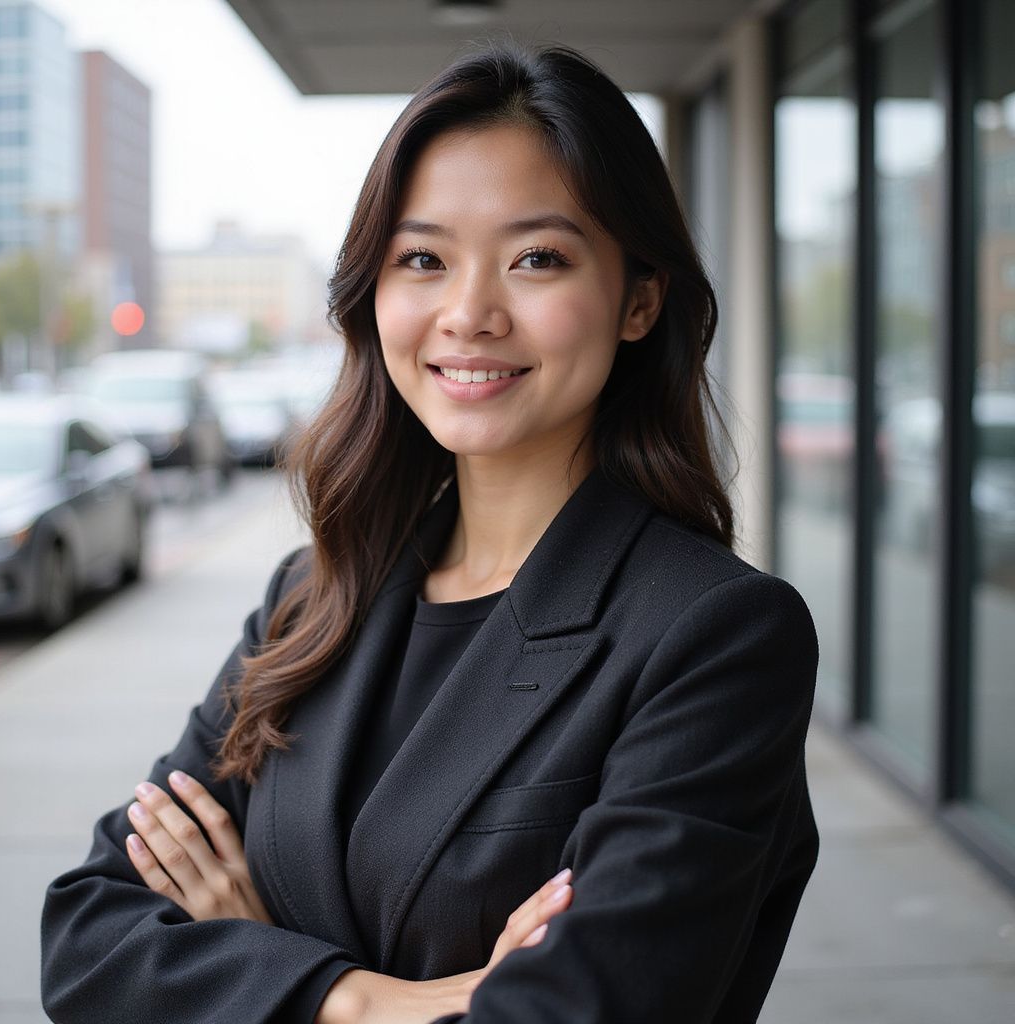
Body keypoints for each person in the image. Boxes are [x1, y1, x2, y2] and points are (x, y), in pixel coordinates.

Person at [41, 41, 819, 1024]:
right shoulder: (313, 594)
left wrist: (251, 955)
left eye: (537, 258)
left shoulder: (714, 635)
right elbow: (85, 939)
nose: (469, 313)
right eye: (423, 259)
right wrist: (364, 999)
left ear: (638, 299)